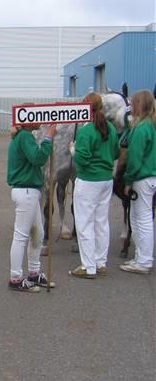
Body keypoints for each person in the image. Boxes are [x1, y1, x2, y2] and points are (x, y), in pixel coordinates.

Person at [69, 93, 120, 279]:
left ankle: (88, 266)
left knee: (84, 223)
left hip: (88, 179)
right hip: (106, 179)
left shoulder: (86, 130)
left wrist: (73, 151)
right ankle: (100, 262)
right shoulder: (111, 128)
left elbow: (82, 159)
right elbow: (116, 153)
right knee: (101, 222)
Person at [7, 122, 57, 292]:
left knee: (38, 233)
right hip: (26, 190)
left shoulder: (21, 137)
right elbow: (38, 158)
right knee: (22, 236)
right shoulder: (25, 137)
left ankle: (34, 273)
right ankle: (15, 278)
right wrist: (49, 138)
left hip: (28, 190)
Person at [120, 90, 156, 275]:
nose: (131, 107)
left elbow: (134, 158)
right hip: (149, 176)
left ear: (139, 105)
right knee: (139, 218)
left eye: (133, 103)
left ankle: (144, 260)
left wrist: (128, 180)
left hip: (142, 177)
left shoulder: (141, 129)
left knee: (142, 220)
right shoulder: (150, 125)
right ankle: (141, 257)